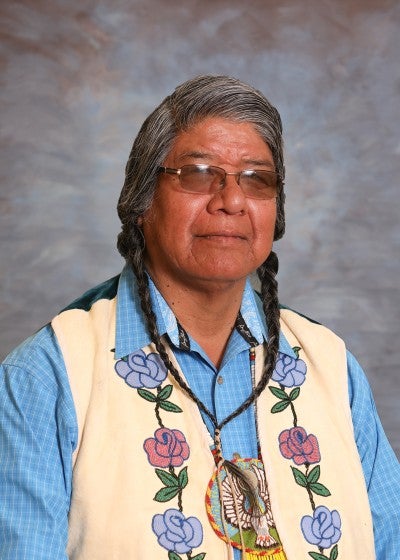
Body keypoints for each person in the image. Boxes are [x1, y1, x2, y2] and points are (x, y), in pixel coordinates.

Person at [0, 75, 399, 560]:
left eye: (256, 179)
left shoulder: (332, 369)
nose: (230, 201)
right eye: (198, 173)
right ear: (142, 201)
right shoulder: (47, 378)